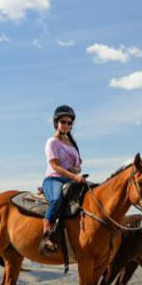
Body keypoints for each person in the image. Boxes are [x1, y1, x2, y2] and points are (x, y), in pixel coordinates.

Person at [41, 105, 84, 256]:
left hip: (71, 179)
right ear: (56, 123)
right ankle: (47, 235)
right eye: (63, 122)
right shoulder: (52, 142)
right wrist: (74, 176)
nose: (66, 125)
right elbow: (55, 166)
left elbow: (78, 166)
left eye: (69, 122)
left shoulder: (72, 145)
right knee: (57, 199)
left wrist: (75, 172)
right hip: (54, 178)